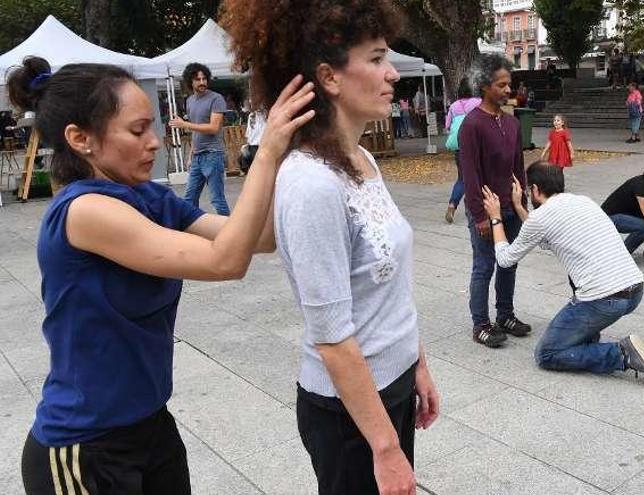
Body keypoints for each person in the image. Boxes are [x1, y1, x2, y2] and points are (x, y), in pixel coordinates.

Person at [8, 55, 315, 494]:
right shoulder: (84, 210)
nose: (154, 142)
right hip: (85, 449)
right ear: (80, 139)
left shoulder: (148, 197)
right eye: (137, 130)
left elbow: (257, 239)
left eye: (152, 126)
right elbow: (225, 261)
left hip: (150, 425)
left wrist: (295, 151)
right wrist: (265, 151)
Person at [221, 2, 440, 494]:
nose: (392, 74)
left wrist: (417, 364)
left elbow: (390, 287)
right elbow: (332, 335)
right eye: (378, 58)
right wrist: (385, 448)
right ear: (330, 77)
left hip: (393, 386)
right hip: (349, 414)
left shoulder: (361, 158)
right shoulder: (311, 182)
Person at [481, 163, 644, 383]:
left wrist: (495, 217)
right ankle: (587, 338)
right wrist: (518, 206)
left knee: (546, 354)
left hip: (606, 299)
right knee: (577, 279)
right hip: (634, 289)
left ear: (535, 189)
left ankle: (621, 354)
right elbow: (544, 236)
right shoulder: (584, 200)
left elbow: (505, 259)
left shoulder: (540, 217)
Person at [459, 53, 531, 348]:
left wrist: (521, 202)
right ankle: (481, 324)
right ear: (485, 86)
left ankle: (505, 315)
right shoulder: (472, 125)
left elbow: (518, 167)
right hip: (486, 209)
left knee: (509, 263)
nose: (507, 90)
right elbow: (470, 174)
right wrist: (479, 216)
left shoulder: (512, 124)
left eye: (508, 84)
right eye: (501, 85)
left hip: (511, 207)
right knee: (484, 265)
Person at [169, 63, 231, 215]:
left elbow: (213, 128)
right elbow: (195, 132)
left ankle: (231, 233)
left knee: (217, 199)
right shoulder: (190, 101)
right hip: (197, 157)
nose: (202, 82)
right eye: (198, 79)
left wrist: (184, 124)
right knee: (189, 199)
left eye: (204, 78)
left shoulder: (216, 98)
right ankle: (192, 232)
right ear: (190, 81)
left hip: (212, 154)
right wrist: (191, 155)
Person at [444, 78, 482, 223]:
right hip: (476, 146)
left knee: (462, 179)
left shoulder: (454, 106)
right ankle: (474, 207)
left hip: (459, 148)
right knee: (480, 177)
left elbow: (448, 126)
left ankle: (452, 204)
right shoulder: (478, 102)